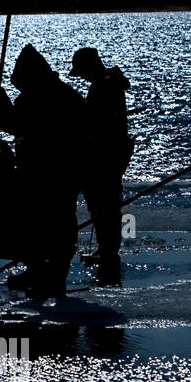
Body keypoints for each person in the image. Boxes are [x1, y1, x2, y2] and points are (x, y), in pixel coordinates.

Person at [0, 44, 86, 298]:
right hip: (57, 173)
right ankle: (42, 272)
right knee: (46, 224)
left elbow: (13, 123)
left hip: (50, 174)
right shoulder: (68, 94)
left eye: (21, 83)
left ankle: (51, 275)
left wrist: (0, 103)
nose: (19, 88)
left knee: (53, 224)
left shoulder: (39, 98)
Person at [69, 47, 133, 286]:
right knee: (106, 204)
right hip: (111, 153)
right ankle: (107, 250)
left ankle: (108, 253)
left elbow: (96, 123)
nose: (83, 77)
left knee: (104, 203)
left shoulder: (104, 86)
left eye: (83, 72)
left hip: (107, 155)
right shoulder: (107, 84)